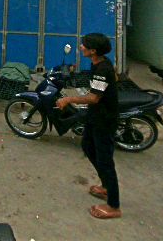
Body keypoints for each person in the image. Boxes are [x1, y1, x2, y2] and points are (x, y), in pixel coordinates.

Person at [56, 33, 121, 219]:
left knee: (105, 160)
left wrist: (68, 99)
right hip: (95, 116)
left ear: (93, 51)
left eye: (84, 45)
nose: (81, 47)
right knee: (87, 146)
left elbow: (94, 98)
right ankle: (106, 186)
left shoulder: (102, 69)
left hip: (104, 119)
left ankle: (114, 206)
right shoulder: (99, 63)